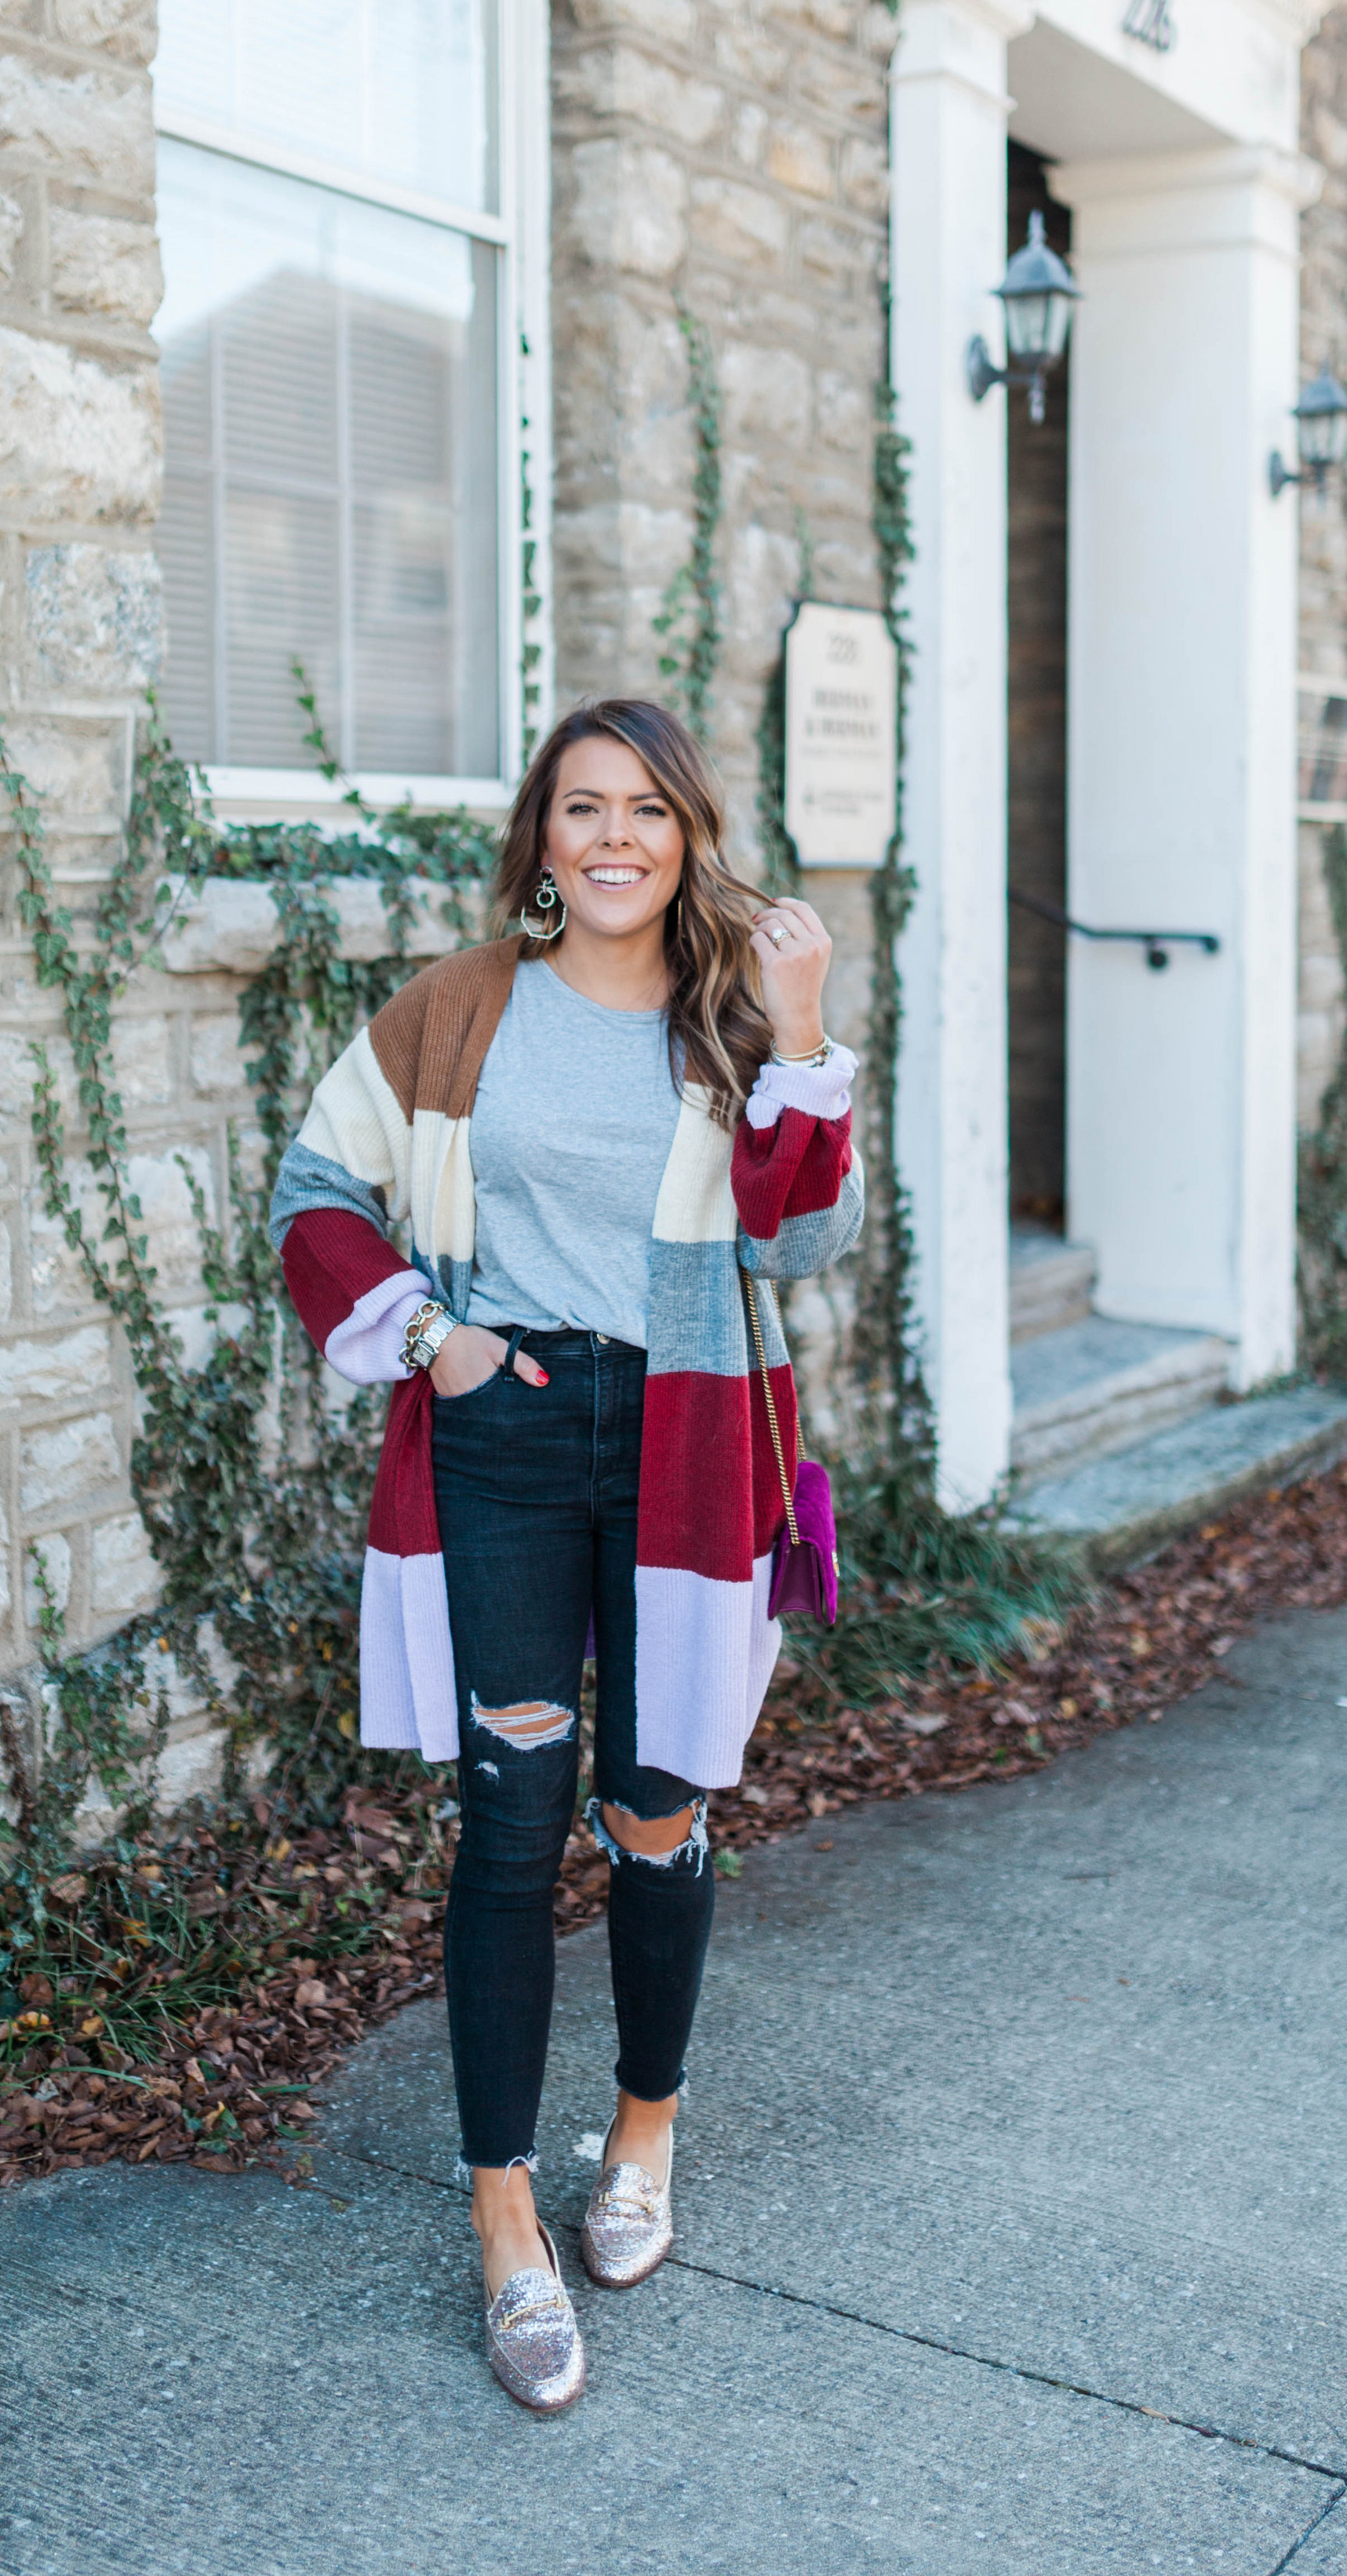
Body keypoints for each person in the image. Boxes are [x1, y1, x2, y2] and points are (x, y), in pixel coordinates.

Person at [270, 695, 862, 2411]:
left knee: (656, 1806)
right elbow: (318, 1179)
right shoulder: (454, 1010)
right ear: (539, 835)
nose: (612, 837)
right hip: (505, 1437)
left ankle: (644, 2132)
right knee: (509, 1819)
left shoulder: (731, 1021)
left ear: (685, 838)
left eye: (646, 811)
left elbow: (800, 1238)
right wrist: (427, 1338)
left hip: (682, 1441)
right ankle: (504, 2222)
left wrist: (804, 1023)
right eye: (580, 807)